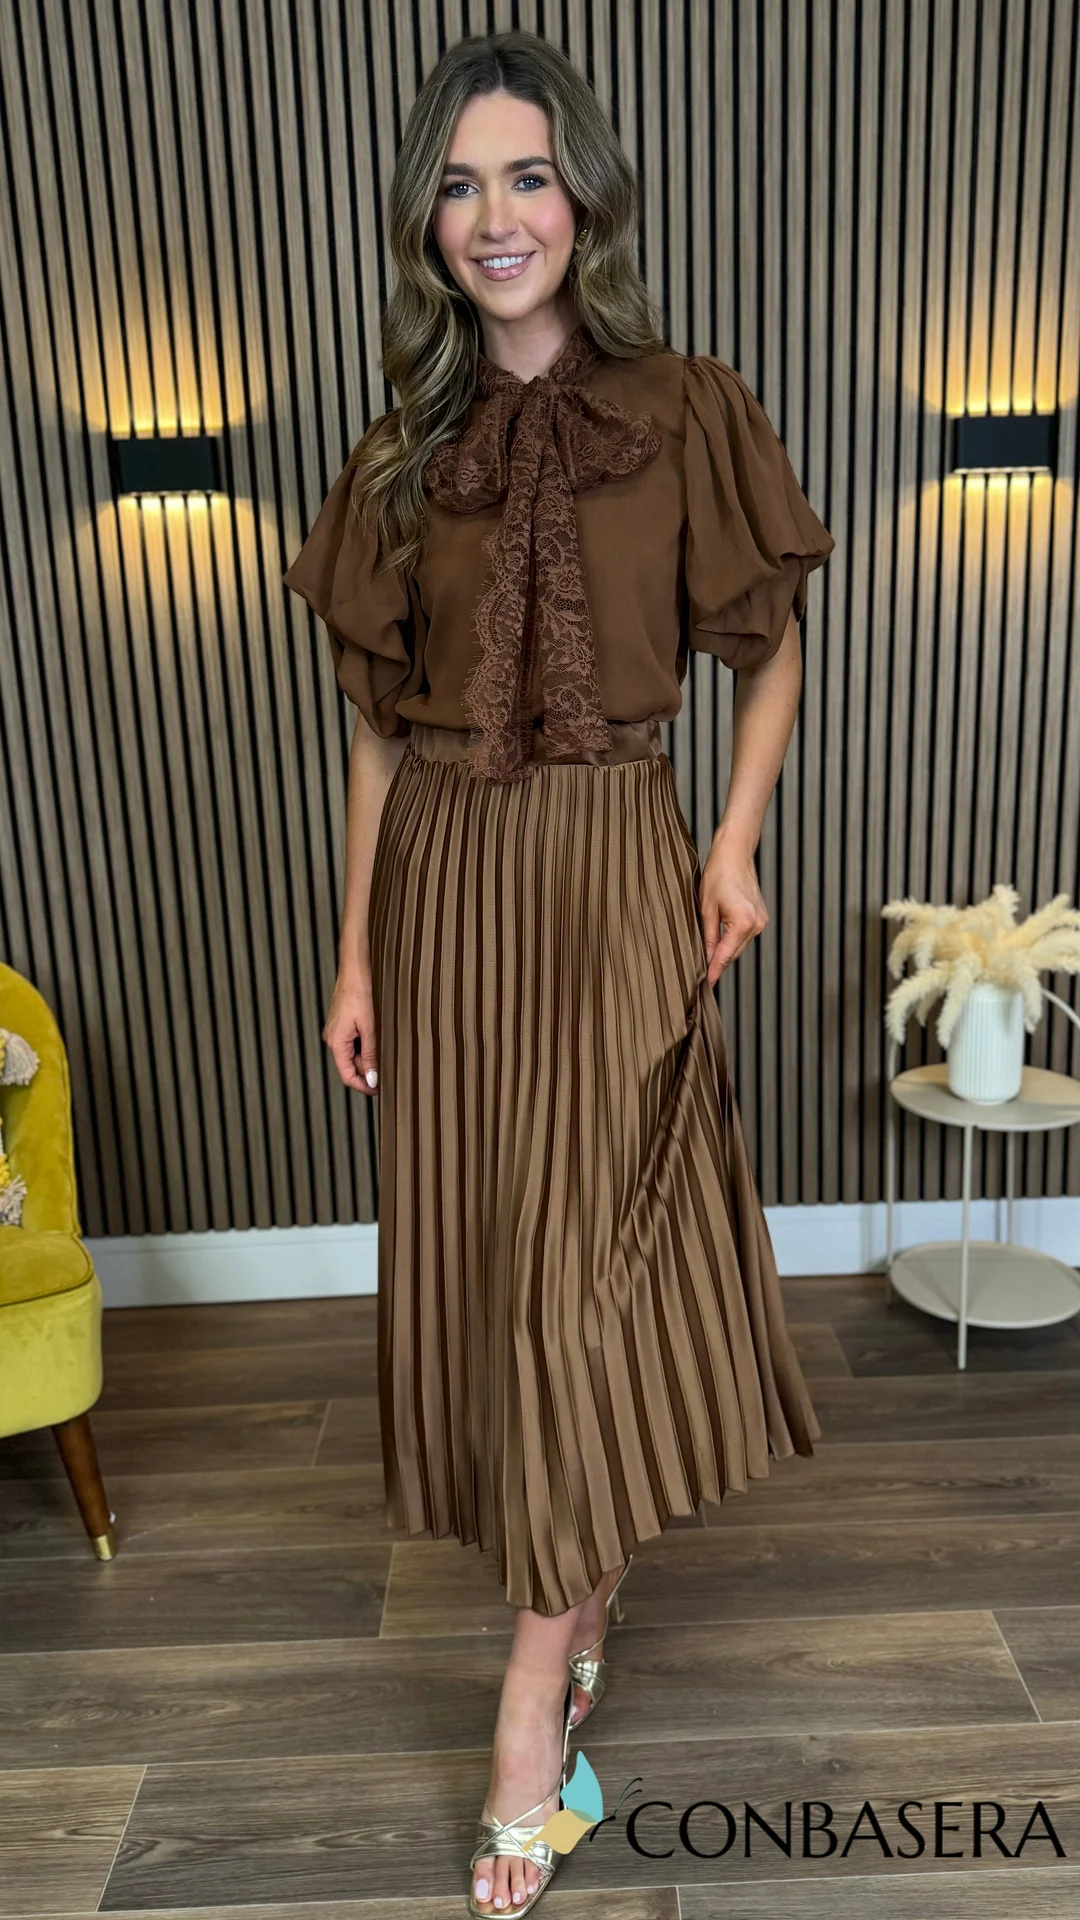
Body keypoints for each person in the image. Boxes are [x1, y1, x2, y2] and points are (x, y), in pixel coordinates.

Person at [283, 28, 834, 1918]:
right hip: (444, 884)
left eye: (526, 176)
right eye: (459, 184)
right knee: (503, 1266)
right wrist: (356, 950)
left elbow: (766, 645)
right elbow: (378, 731)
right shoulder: (398, 454)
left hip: (611, 872)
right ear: (425, 222)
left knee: (590, 1278)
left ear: (585, 198)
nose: (495, 215)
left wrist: (732, 846)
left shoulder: (687, 409)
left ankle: (532, 1713)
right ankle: (576, 1594)